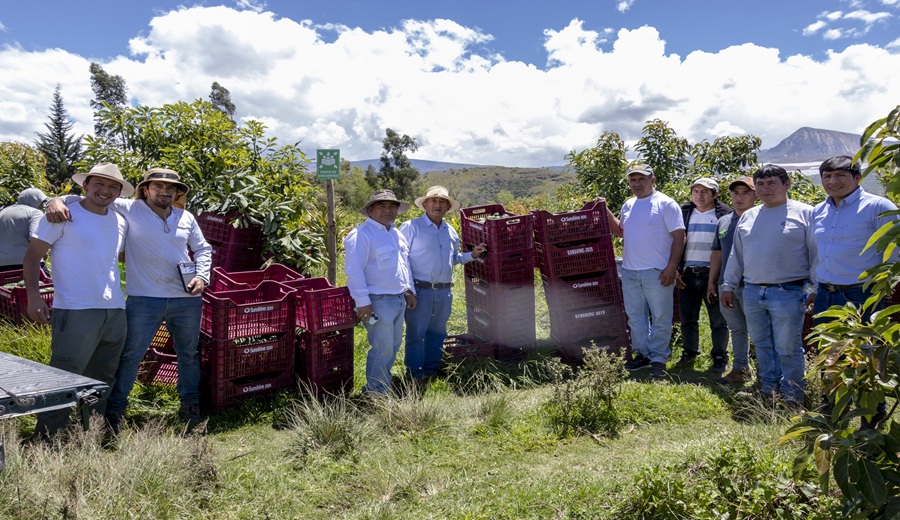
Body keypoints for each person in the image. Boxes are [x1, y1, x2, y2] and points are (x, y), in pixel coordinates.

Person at [46, 168, 212, 429]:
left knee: (188, 354)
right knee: (131, 355)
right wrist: (54, 200)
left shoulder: (185, 217)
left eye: (171, 188)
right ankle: (115, 412)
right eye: (158, 187)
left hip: (185, 299)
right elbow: (90, 198)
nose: (165, 192)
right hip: (143, 299)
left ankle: (190, 406)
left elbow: (203, 248)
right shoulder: (129, 208)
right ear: (146, 190)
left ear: (177, 193)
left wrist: (202, 276)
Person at [23, 163, 132, 440]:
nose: (105, 190)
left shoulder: (119, 220)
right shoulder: (62, 216)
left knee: (104, 377)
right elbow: (33, 256)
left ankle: (91, 433)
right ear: (86, 185)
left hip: (114, 310)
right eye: (99, 183)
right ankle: (47, 439)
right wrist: (34, 297)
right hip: (75, 309)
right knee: (64, 376)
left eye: (112, 186)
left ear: (119, 192)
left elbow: (111, 258)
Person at [811, 155, 898, 428]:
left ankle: (871, 421)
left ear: (857, 178)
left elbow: (895, 252)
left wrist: (886, 289)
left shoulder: (877, 207)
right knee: (830, 355)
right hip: (827, 293)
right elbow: (819, 253)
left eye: (840, 176)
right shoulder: (819, 211)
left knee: (867, 358)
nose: (832, 182)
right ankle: (833, 415)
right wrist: (815, 287)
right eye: (827, 176)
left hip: (863, 294)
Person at [721, 164, 816, 407]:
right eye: (760, 184)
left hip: (788, 291)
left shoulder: (806, 213)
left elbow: (816, 253)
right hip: (752, 291)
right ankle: (768, 389)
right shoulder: (749, 216)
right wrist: (729, 284)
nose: (765, 189)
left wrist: (813, 287)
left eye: (772, 183)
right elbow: (737, 255)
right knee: (762, 343)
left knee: (788, 347)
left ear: (787, 185)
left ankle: (793, 395)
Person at [400, 186, 486, 384]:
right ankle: (414, 374)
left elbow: (453, 258)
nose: (438, 205)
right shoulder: (411, 227)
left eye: (442, 202)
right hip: (419, 290)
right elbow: (401, 260)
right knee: (416, 334)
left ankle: (431, 370)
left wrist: (472, 256)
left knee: (438, 333)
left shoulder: (450, 231)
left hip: (444, 291)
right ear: (425, 204)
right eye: (434, 201)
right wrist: (408, 290)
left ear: (448, 207)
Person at [606, 165, 686, 380]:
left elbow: (679, 236)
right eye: (633, 179)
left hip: (657, 271)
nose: (637, 183)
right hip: (631, 271)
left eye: (642, 179)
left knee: (661, 317)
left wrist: (671, 267)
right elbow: (621, 231)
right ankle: (642, 354)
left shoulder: (666, 204)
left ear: (653, 180)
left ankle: (659, 358)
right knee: (635, 318)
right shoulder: (629, 204)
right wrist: (604, 209)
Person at [344, 189, 417, 394]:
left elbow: (404, 265)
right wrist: (362, 302)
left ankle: (382, 384)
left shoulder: (396, 233)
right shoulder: (361, 235)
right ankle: (375, 391)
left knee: (393, 345)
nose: (387, 210)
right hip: (377, 303)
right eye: (381, 206)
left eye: (392, 206)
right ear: (370, 210)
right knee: (382, 347)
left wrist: (409, 290)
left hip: (398, 300)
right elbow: (354, 270)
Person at [675, 178, 732, 372]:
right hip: (688, 274)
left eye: (704, 192)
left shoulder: (725, 215)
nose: (699, 195)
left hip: (713, 275)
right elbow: (674, 241)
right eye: (696, 191)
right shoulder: (683, 212)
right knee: (688, 318)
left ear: (715, 194)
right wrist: (676, 268)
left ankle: (719, 355)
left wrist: (719, 277)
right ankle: (689, 352)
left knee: (718, 320)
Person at [707, 177, 758, 384]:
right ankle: (740, 368)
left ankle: (766, 373)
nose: (739, 197)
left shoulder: (760, 218)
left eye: (746, 193)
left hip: (752, 285)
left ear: (755, 195)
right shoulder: (724, 221)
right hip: (726, 284)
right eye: (736, 193)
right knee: (737, 328)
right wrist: (713, 282)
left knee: (758, 331)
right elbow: (717, 253)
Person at [0, 188, 50, 272]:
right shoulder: (34, 212)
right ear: (35, 200)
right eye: (41, 203)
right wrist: (44, 252)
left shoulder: (2, 212)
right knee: (47, 283)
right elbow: (35, 238)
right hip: (26, 261)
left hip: (2, 264)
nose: (42, 206)